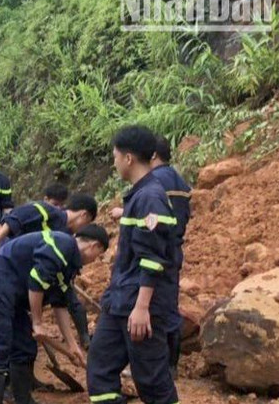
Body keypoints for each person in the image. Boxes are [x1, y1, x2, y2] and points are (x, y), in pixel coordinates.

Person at [87, 125, 179, 404]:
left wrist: (141, 308)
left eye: (115, 156)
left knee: (151, 381)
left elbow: (152, 259)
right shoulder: (139, 195)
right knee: (100, 369)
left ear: (128, 158)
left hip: (140, 305)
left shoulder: (150, 198)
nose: (114, 163)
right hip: (120, 301)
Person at [0, 225, 109, 404]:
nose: (94, 260)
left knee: (24, 345)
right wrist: (37, 323)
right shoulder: (63, 245)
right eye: (98, 255)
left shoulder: (69, 262)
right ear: (94, 246)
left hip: (14, 293)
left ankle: (23, 400)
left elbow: (59, 304)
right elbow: (37, 280)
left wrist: (72, 345)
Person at [110, 135, 191, 378]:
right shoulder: (179, 181)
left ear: (152, 155)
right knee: (168, 305)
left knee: (152, 309)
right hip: (172, 248)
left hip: (152, 249)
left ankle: (154, 365)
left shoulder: (153, 184)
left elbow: (151, 216)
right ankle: (170, 364)